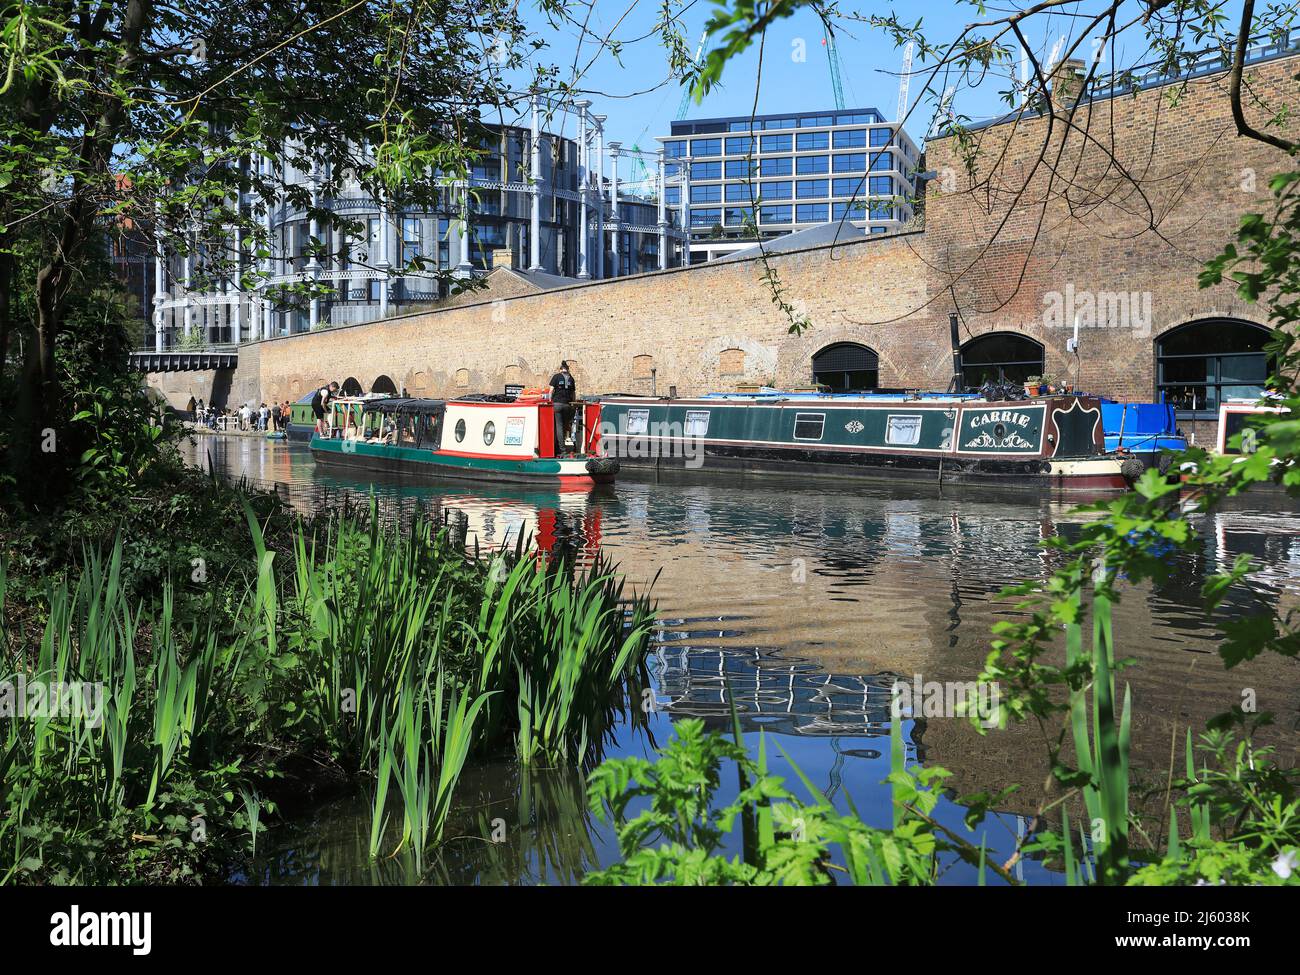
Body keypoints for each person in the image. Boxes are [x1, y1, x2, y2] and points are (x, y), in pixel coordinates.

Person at [548, 360, 576, 456]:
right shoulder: (571, 378)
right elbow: (573, 394)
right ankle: (562, 446)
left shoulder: (556, 377)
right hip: (567, 405)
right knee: (564, 426)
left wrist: (549, 401)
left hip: (557, 405)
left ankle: (561, 449)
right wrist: (572, 403)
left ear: (560, 369)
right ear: (567, 369)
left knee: (558, 426)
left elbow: (551, 391)